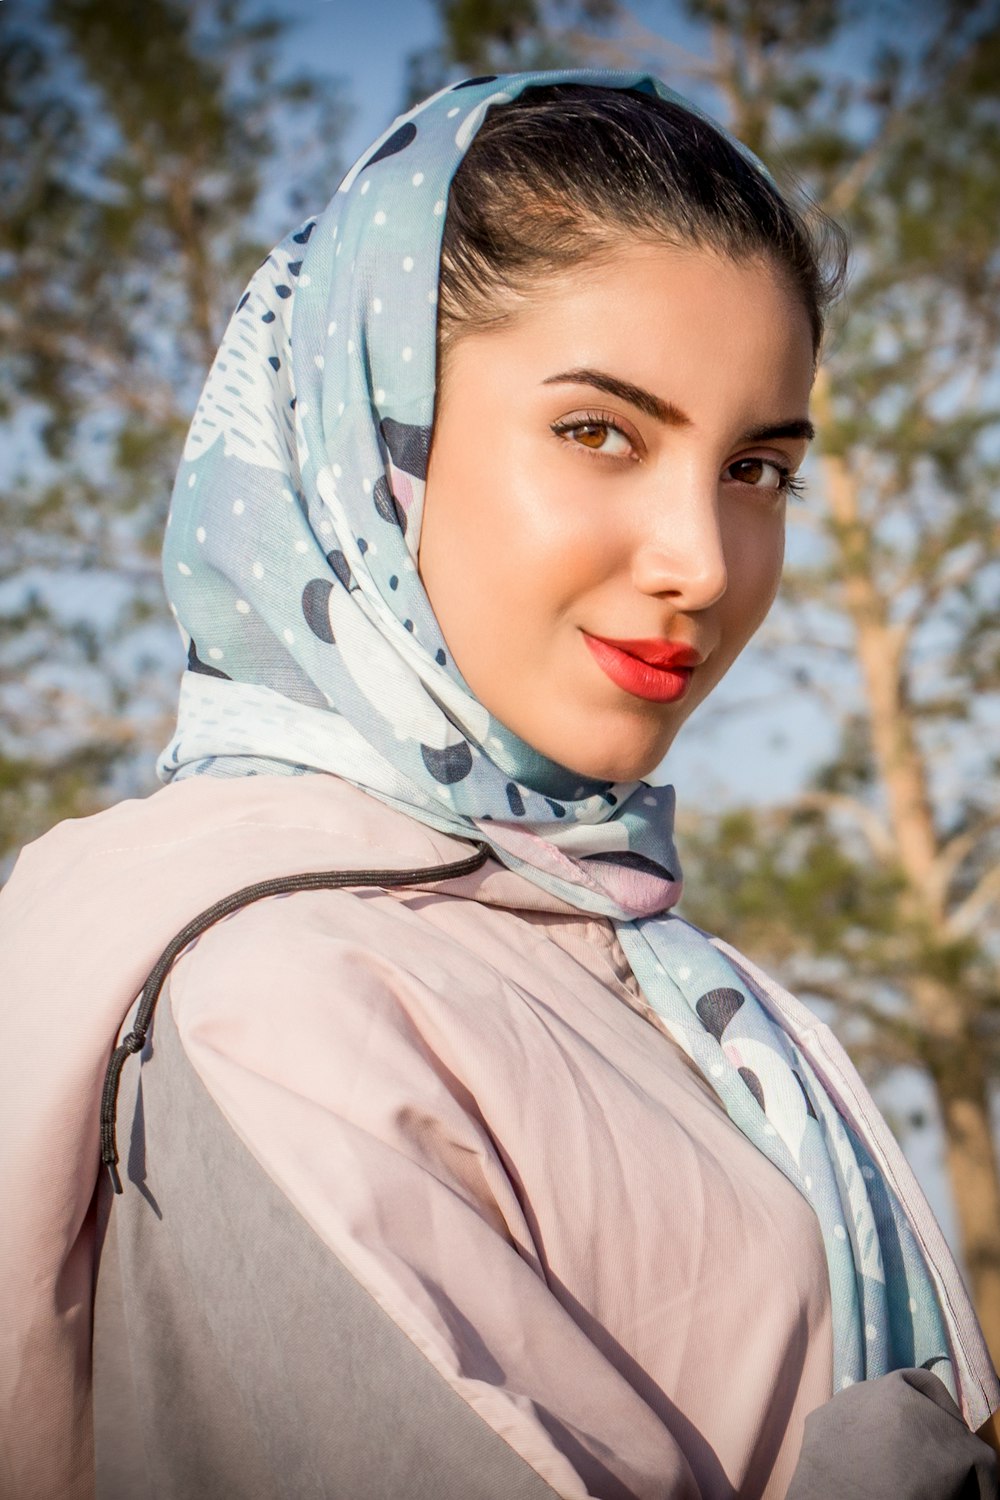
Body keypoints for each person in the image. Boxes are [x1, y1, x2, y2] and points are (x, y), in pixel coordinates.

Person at [0, 69, 997, 1500]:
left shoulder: (643, 961)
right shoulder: (280, 990)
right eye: (602, 432)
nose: (703, 564)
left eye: (757, 469)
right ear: (370, 439)